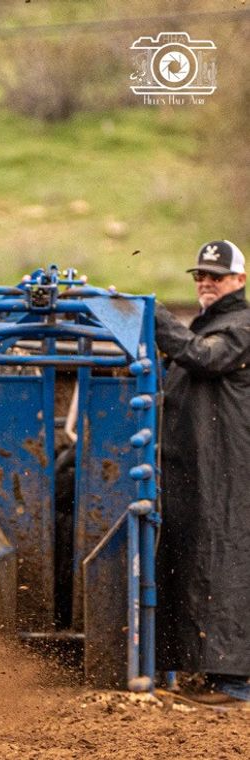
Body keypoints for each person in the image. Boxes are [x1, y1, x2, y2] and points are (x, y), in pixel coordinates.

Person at [154, 239, 250, 704]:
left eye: (215, 276)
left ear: (239, 281)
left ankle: (233, 682)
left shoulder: (241, 326)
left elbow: (205, 358)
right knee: (197, 562)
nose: (205, 283)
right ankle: (208, 671)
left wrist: (152, 316)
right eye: (200, 276)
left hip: (228, 470)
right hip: (198, 468)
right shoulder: (212, 326)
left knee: (226, 562)